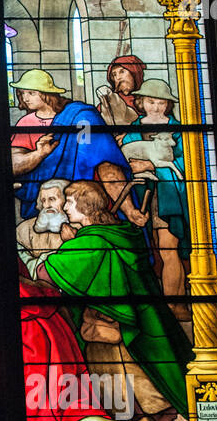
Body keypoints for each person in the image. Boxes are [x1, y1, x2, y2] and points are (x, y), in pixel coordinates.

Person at [42, 179, 193, 421]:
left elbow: (50, 272)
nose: (65, 207)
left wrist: (66, 246)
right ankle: (154, 417)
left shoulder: (92, 242)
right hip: (132, 322)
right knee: (137, 376)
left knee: (129, 376)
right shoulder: (119, 233)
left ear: (86, 206)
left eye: (70, 202)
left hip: (113, 328)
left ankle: (147, 418)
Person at [9, 68, 129, 218]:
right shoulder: (26, 123)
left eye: (31, 93)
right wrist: (39, 154)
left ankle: (128, 211)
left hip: (85, 185)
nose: (25, 98)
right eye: (22, 93)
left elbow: (91, 151)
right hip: (46, 194)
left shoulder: (78, 115)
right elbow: (13, 165)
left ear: (47, 94)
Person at [121, 78, 189, 302]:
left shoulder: (178, 129)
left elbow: (189, 162)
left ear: (168, 105)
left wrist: (150, 165)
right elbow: (125, 160)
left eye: (161, 103)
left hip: (170, 197)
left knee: (168, 248)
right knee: (154, 251)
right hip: (141, 197)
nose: (156, 107)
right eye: (151, 102)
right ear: (141, 102)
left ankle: (176, 304)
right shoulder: (134, 129)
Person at [15, 177, 74, 277]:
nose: (46, 205)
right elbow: (21, 263)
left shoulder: (76, 228)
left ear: (66, 200)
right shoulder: (24, 229)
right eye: (43, 200)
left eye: (52, 199)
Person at [94, 54, 146, 127]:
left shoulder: (150, 98)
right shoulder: (109, 102)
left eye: (122, 72)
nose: (118, 78)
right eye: (114, 75)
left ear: (135, 72)